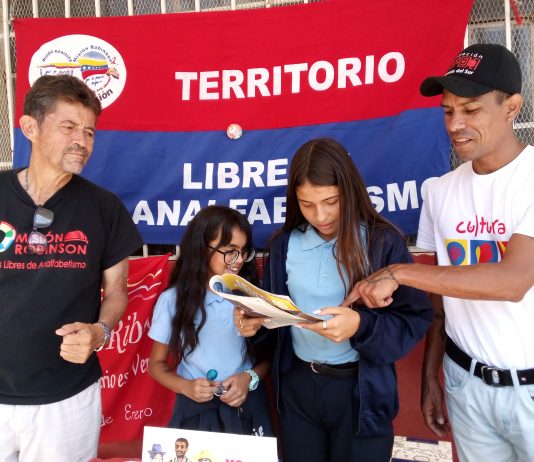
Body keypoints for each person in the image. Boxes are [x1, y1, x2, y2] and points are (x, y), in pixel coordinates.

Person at [345, 43, 534, 461]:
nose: (455, 124)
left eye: (471, 110)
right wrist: (431, 374)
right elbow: (439, 302)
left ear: (512, 107)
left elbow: (513, 281)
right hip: (465, 383)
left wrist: (398, 272)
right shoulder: (440, 191)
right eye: (448, 111)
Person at [235, 138, 432, 462]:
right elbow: (275, 326)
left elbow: (413, 318)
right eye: (307, 204)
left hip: (360, 392)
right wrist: (253, 325)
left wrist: (360, 325)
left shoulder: (381, 242)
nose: (320, 215)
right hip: (298, 388)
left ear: (349, 192)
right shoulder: (284, 245)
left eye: (331, 201)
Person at [0, 75, 143, 461]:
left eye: (89, 132)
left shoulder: (105, 208)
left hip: (66, 398)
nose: (82, 140)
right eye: (68, 127)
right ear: (30, 127)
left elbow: (117, 292)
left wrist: (100, 332)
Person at [148, 205, 273, 437]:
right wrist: (186, 387)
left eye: (243, 251)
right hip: (195, 411)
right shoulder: (174, 300)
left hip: (245, 407)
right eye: (230, 251)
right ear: (202, 248)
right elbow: (155, 365)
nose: (238, 260)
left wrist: (249, 378)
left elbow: (270, 357)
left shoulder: (252, 297)